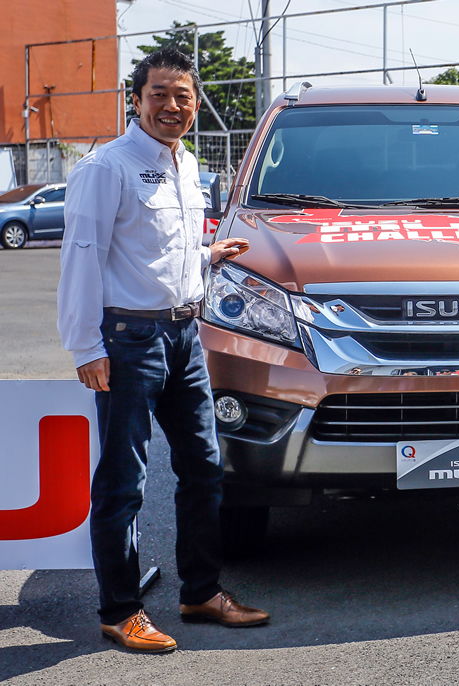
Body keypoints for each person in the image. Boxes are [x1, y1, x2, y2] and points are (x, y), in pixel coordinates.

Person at [57, 48, 267, 653]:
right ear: (137, 100)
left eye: (182, 96)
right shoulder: (106, 168)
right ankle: (120, 610)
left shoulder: (187, 165)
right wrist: (85, 348)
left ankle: (201, 592)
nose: (172, 106)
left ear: (196, 103)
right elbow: (83, 260)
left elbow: (155, 254)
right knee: (124, 480)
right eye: (159, 95)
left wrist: (207, 258)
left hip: (184, 337)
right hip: (127, 343)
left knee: (203, 467)